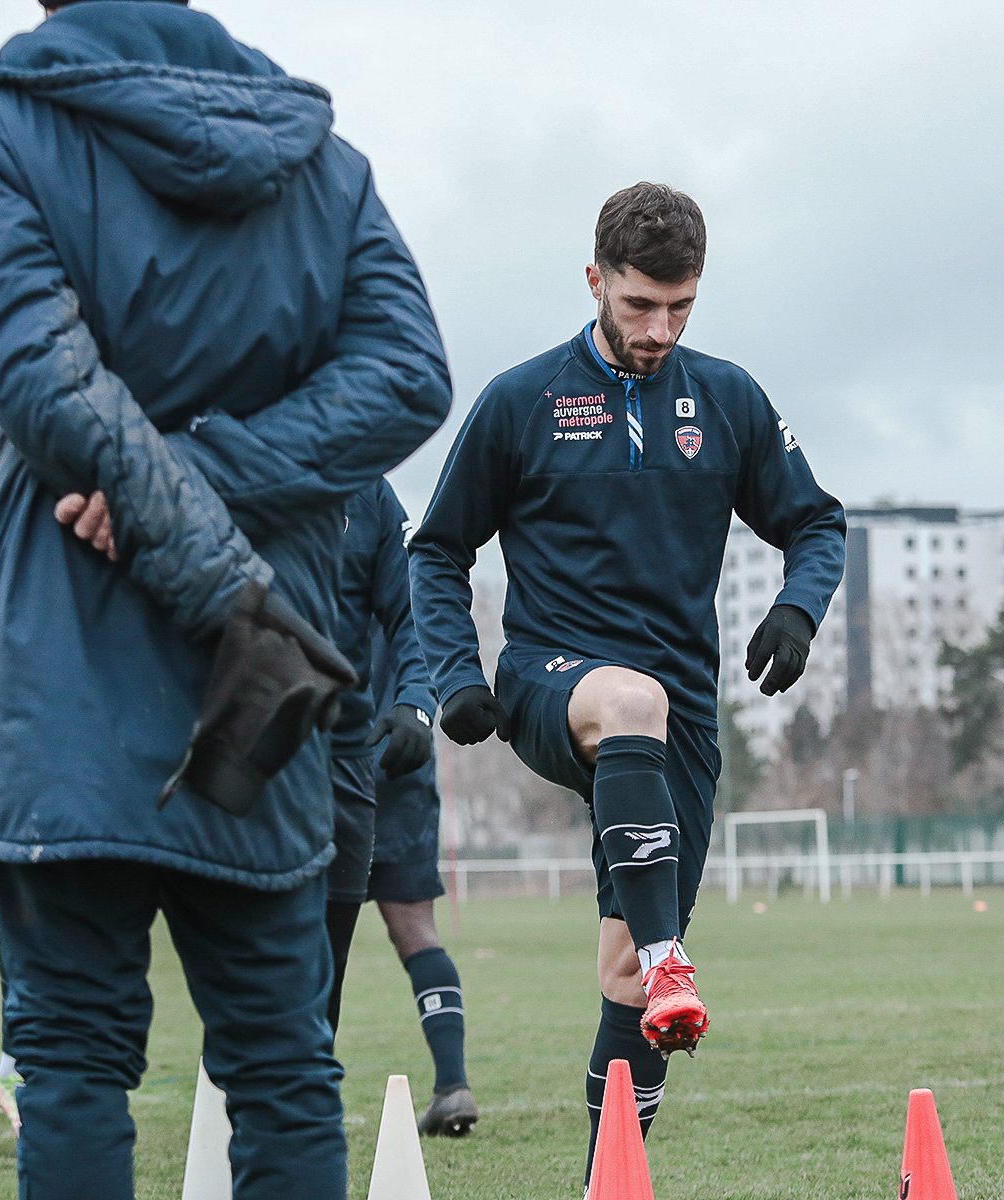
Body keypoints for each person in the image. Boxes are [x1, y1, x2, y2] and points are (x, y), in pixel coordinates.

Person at [0, 0, 450, 1196]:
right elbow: (403, 373)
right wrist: (213, 497)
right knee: (280, 1065)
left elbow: (42, 385)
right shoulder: (323, 163)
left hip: (72, 651)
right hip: (260, 657)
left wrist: (167, 487)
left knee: (70, 1058)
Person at [409, 182, 845, 1184]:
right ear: (596, 279)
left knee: (625, 983)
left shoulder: (726, 397)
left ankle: (612, 1172)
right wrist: (455, 675)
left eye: (680, 307)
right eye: (641, 304)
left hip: (678, 711)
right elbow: (435, 551)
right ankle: (668, 960)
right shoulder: (521, 401)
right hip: (548, 676)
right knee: (629, 707)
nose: (659, 328)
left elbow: (816, 523)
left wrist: (797, 608)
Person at [322, 477, 476, 1136]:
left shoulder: (370, 508)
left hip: (346, 751)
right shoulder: (394, 537)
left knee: (305, 932)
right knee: (415, 929)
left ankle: (301, 1087)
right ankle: (453, 1084)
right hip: (399, 748)